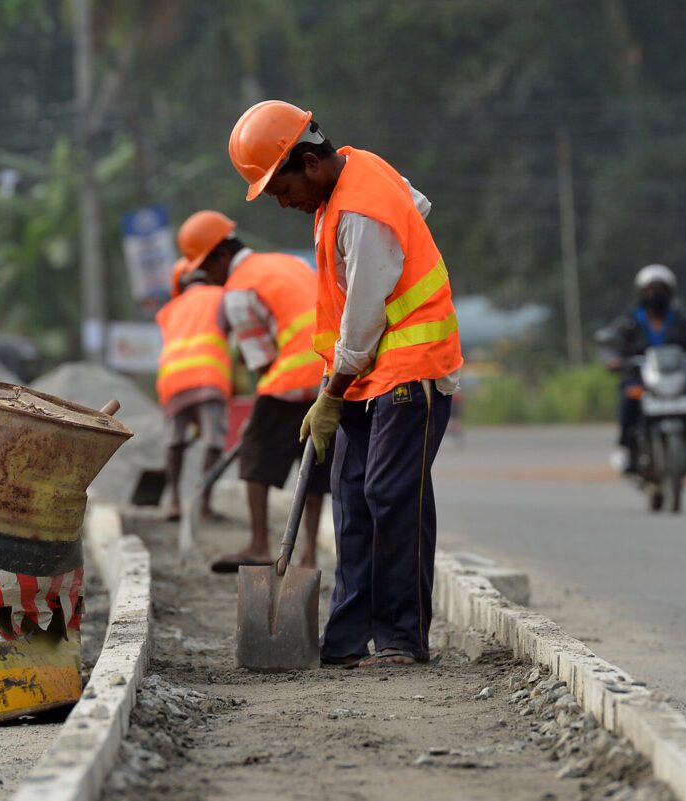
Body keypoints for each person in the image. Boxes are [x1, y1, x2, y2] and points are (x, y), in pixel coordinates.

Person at [228, 100, 463, 669]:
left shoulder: (360, 209)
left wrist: (329, 393)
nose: (283, 203)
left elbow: (362, 315)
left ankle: (402, 638)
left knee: (389, 494)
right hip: (366, 372)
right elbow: (418, 206)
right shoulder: (352, 179)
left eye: (281, 189)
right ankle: (346, 638)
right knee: (352, 499)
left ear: (307, 162)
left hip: (410, 368)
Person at [175, 209, 330, 573]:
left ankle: (260, 544)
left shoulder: (239, 290)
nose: (209, 280)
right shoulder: (283, 261)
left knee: (255, 456)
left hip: (293, 378)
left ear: (221, 256)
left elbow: (263, 361)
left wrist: (257, 418)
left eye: (207, 270)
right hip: (331, 375)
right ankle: (308, 557)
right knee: (315, 465)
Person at [603, 264, 686, 474]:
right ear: (641, 293)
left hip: (677, 377)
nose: (656, 295)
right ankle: (627, 449)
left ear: (671, 293)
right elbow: (612, 342)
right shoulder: (630, 321)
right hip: (642, 378)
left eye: (661, 290)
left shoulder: (682, 319)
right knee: (629, 396)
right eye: (650, 290)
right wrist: (614, 359)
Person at [155, 257, 231, 522]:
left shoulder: (169, 309)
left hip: (172, 381)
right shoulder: (220, 296)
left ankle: (174, 501)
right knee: (214, 441)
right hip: (208, 377)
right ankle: (203, 505)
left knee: (174, 440)